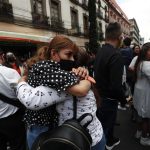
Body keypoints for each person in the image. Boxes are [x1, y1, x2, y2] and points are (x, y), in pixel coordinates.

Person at [17, 46, 106, 150]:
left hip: (78, 141)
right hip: (94, 135)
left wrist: (21, 82)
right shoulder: (80, 78)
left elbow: (31, 100)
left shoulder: (66, 84)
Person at [94, 22, 127, 150]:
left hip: (100, 96)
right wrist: (124, 100)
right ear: (119, 37)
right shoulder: (116, 55)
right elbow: (116, 86)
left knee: (102, 126)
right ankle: (106, 144)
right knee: (104, 129)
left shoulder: (101, 51)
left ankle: (109, 141)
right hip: (109, 99)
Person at [0, 48, 26, 150]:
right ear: (2, 57)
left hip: (10, 117)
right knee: (18, 145)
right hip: (12, 118)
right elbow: (21, 94)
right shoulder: (10, 72)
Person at [133, 42, 150, 146]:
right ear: (146, 52)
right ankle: (144, 138)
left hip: (140, 92)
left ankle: (139, 133)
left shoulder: (140, 62)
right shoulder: (147, 64)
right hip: (145, 94)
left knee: (140, 115)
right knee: (146, 118)